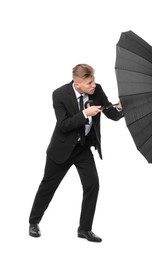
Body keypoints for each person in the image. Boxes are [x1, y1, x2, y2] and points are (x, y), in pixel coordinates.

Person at [29, 64, 123, 242]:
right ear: (77, 84)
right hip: (62, 148)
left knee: (92, 185)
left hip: (83, 148)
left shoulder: (97, 90)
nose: (93, 85)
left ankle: (85, 229)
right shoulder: (59, 94)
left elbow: (111, 113)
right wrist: (85, 113)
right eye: (89, 83)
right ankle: (33, 222)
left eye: (93, 81)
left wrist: (118, 108)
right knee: (48, 186)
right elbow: (63, 125)